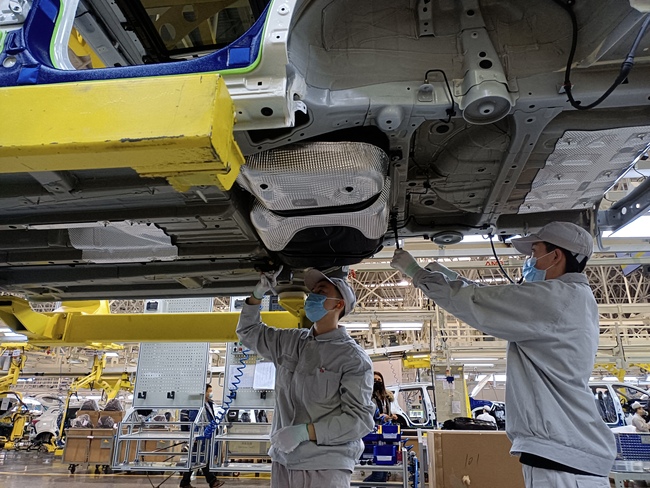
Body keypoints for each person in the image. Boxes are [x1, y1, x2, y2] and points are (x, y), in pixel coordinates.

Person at [391, 221, 616, 488]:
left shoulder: (554, 298)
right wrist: (449, 276)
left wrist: (417, 273)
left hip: (563, 457)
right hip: (564, 454)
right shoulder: (572, 297)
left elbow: (476, 302)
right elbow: (488, 297)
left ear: (556, 256)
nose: (529, 261)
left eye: (534, 252)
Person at [236, 268, 374, 488]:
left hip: (325, 465)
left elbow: (360, 421)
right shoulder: (291, 341)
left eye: (321, 291)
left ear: (339, 304)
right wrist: (258, 294)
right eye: (313, 292)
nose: (312, 297)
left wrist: (305, 432)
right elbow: (248, 331)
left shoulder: (352, 358)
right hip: (284, 460)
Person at [180, 383, 223, 488]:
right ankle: (212, 481)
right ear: (204, 392)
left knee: (199, 458)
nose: (210, 393)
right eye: (209, 391)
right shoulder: (196, 405)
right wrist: (193, 437)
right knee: (196, 458)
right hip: (199, 436)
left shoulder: (209, 404)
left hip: (206, 436)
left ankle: (186, 482)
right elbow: (194, 421)